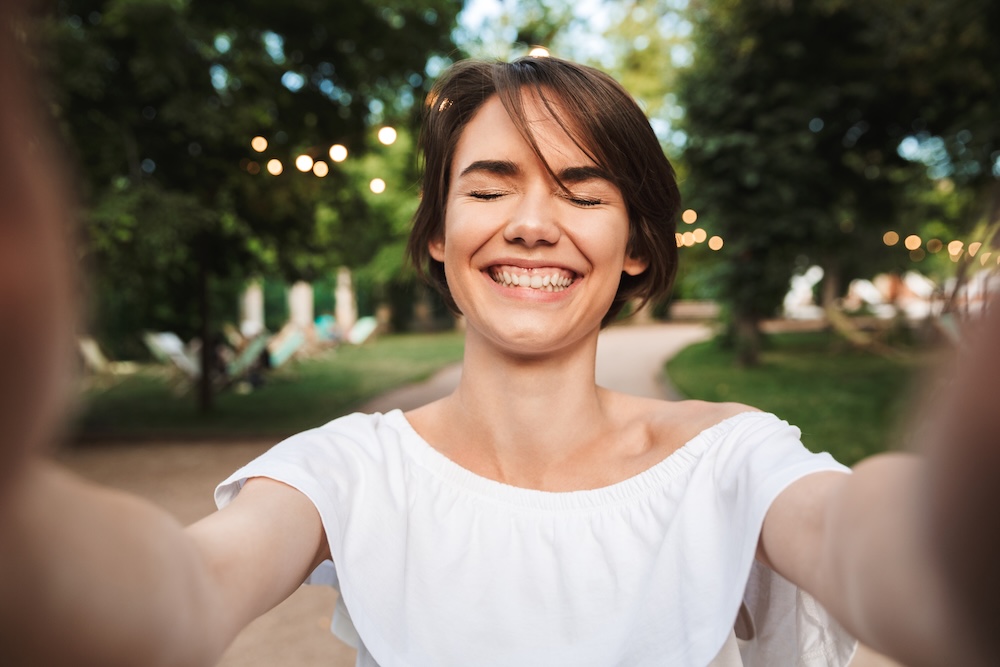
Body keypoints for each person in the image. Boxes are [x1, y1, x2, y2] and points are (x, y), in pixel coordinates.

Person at [1, 1, 997, 662]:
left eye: (579, 190)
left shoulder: (731, 459)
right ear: (439, 233)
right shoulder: (344, 468)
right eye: (489, 186)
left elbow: (885, 550)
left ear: (637, 242)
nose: (530, 221)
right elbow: (180, 589)